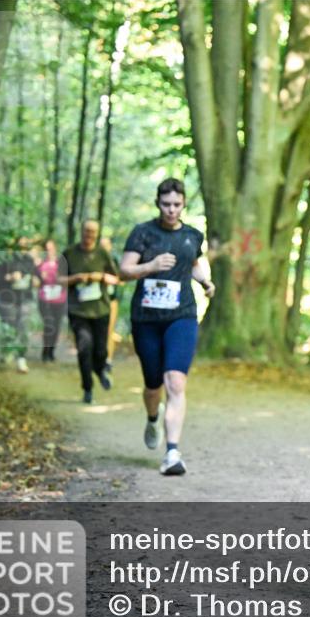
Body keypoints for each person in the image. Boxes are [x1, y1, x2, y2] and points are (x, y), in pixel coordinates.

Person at [119, 178, 214, 476]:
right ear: (157, 203)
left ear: (184, 204)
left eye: (176, 204)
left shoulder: (193, 235)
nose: (171, 210)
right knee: (152, 385)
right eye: (165, 204)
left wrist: (205, 281)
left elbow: (194, 262)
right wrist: (150, 266)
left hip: (181, 315)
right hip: (146, 319)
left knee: (175, 381)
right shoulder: (143, 233)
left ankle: (172, 452)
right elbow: (124, 270)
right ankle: (151, 418)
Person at [63, 220, 119, 403]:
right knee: (84, 348)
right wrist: (76, 278)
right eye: (87, 231)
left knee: (100, 350)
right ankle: (88, 389)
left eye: (93, 232)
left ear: (97, 234)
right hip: (78, 310)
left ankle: (101, 370)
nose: (89, 235)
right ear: (82, 231)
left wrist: (100, 277)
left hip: (100, 309)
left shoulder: (103, 253)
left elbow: (116, 278)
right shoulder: (69, 253)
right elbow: (57, 279)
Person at [0, 237, 36, 373]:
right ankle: (7, 351)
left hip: (24, 299)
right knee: (9, 326)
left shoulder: (29, 260)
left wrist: (31, 279)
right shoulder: (1, 259)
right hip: (5, 299)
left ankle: (21, 359)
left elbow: (34, 277)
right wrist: (7, 278)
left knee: (23, 327)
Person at [36, 239, 68, 362]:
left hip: (59, 299)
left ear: (55, 248)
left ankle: (51, 352)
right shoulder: (39, 264)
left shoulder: (61, 263)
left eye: (50, 248)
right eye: (46, 248)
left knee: (56, 326)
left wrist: (59, 280)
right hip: (45, 299)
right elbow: (35, 281)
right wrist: (40, 278)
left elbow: (67, 279)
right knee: (49, 325)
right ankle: (45, 352)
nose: (48, 251)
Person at [99, 235, 123, 373]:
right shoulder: (93, 260)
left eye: (106, 245)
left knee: (109, 331)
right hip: (95, 301)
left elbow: (122, 279)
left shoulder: (114, 261)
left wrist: (110, 279)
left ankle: (108, 360)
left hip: (111, 300)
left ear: (110, 246)